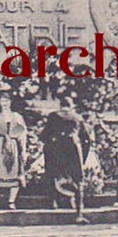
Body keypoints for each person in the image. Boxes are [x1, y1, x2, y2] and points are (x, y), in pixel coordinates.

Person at [40, 95, 92, 225]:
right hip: (74, 149)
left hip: (57, 148)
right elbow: (87, 139)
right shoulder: (77, 117)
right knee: (78, 179)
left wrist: (48, 146)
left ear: (60, 105)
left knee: (52, 174)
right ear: (72, 106)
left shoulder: (53, 116)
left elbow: (44, 135)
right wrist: (83, 156)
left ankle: (54, 203)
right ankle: (79, 214)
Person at [0, 91, 27, 210]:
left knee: (14, 173)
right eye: (2, 101)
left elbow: (22, 135)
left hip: (12, 147)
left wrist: (23, 151)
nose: (5, 103)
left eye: (7, 101)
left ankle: (11, 201)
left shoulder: (17, 116)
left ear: (11, 102)